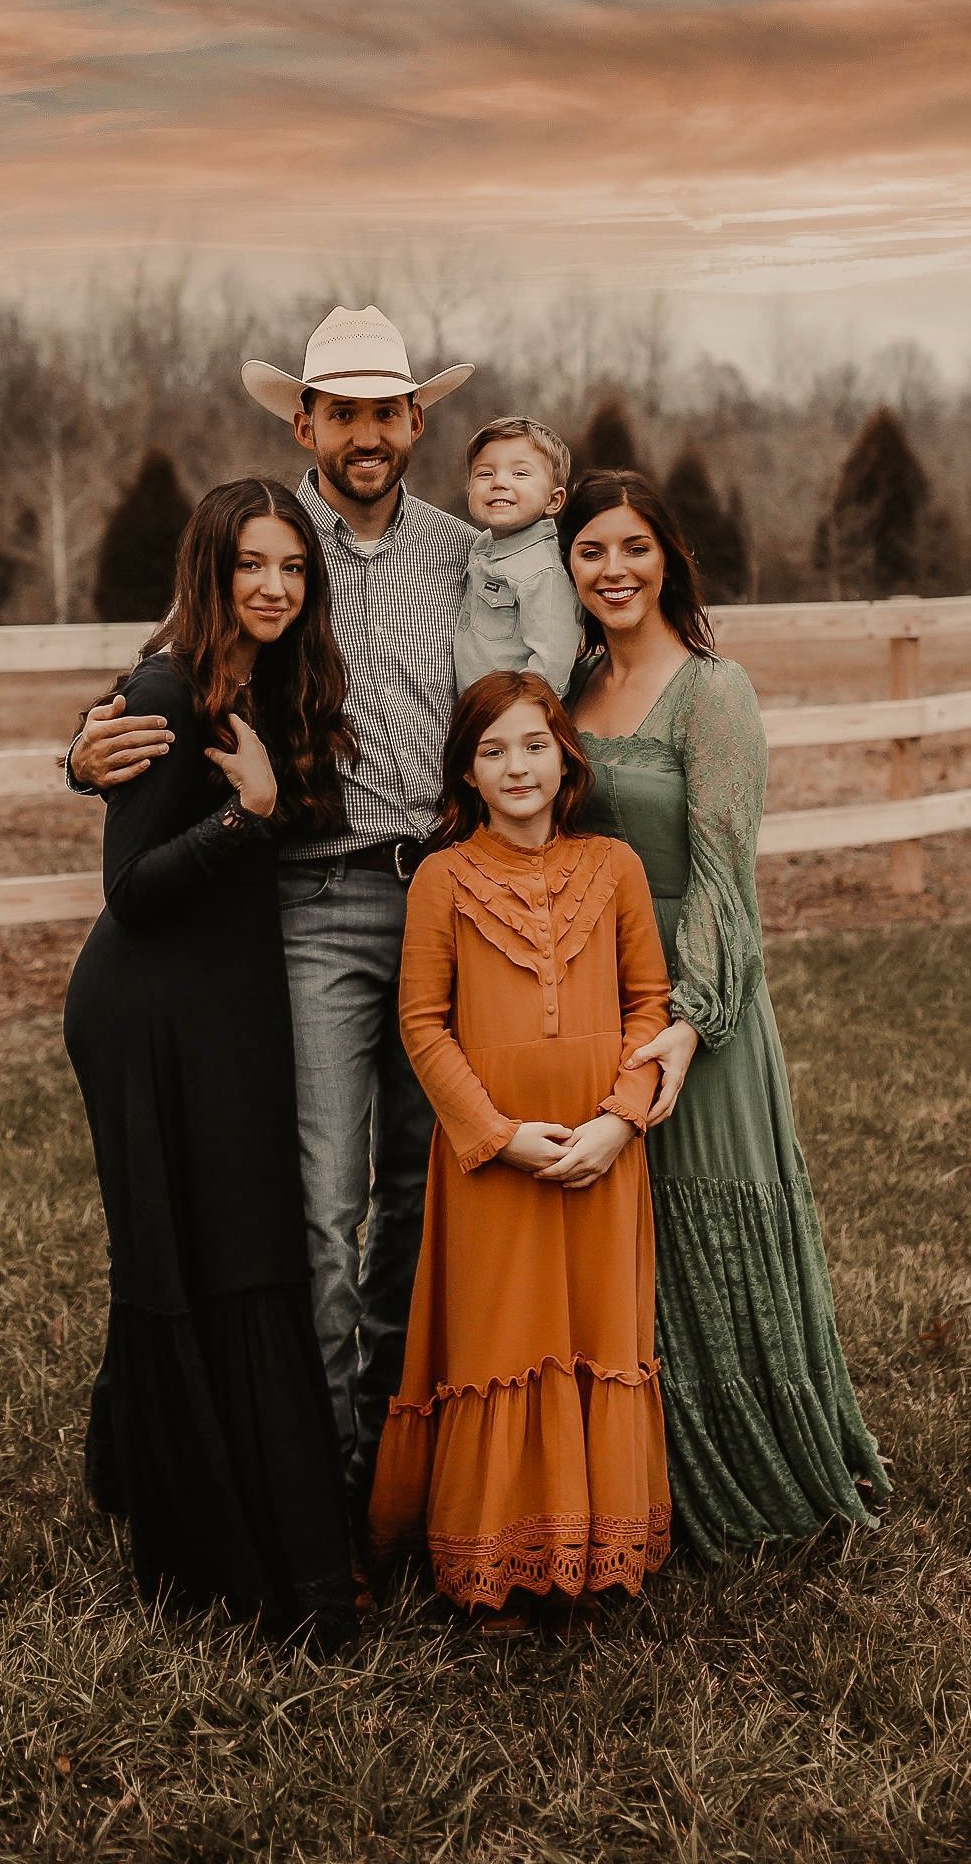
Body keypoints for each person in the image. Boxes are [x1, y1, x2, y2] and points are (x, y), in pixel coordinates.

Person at [68, 306, 476, 1534]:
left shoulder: (469, 554)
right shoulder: (268, 542)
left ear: (416, 421)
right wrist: (84, 756)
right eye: (339, 411)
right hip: (313, 902)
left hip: (448, 894)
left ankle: (399, 1465)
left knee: (423, 1186)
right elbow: (181, 670)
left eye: (385, 411)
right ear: (303, 421)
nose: (365, 433)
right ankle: (326, 1473)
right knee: (315, 1198)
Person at [563, 469, 891, 1558]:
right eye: (590, 550)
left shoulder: (714, 690)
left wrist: (688, 1021)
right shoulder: (567, 686)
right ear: (565, 566)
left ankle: (752, 1478)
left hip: (697, 1002)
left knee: (707, 1218)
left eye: (632, 547)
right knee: (626, 1238)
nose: (613, 569)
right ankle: (636, 1480)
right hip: (592, 989)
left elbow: (721, 876)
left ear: (669, 558)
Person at [63, 478, 359, 1642]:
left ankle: (133, 1469)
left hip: (230, 998)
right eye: (253, 565)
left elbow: (291, 809)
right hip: (147, 1009)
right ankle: (211, 1544)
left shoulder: (269, 674)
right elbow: (130, 890)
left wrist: (272, 803)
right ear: (211, 569)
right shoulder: (167, 683)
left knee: (234, 1241)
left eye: (293, 566)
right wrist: (245, 817)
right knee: (186, 1252)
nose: (276, 586)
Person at [368, 672, 672, 1631]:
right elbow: (421, 1026)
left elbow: (648, 1006)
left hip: (599, 1151)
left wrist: (619, 1122)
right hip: (494, 1165)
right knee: (505, 1346)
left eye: (533, 744)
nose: (516, 766)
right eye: (492, 750)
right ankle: (497, 1559)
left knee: (594, 1338)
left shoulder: (614, 867)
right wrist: (497, 1138)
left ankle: (593, 1555)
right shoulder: (441, 879)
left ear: (563, 756)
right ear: (465, 768)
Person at [453, 416, 584, 696]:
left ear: (553, 501)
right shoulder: (481, 548)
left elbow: (552, 665)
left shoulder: (543, 572)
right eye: (484, 474)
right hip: (469, 716)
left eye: (520, 474)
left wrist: (517, 717)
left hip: (509, 722)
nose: (499, 482)